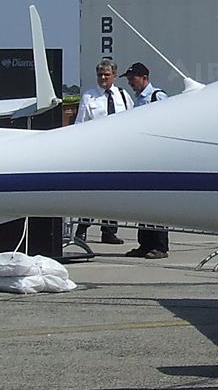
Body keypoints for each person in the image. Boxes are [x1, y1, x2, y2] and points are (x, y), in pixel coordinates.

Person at [71, 57, 130, 244]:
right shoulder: (89, 96)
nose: (103, 78)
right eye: (100, 75)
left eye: (106, 74)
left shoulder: (122, 95)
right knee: (91, 193)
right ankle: (82, 229)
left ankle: (109, 230)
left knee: (113, 194)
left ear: (114, 75)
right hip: (95, 151)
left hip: (117, 151)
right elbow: (80, 123)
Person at [123, 63, 170, 257]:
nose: (130, 83)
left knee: (156, 203)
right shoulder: (138, 99)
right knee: (143, 202)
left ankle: (160, 246)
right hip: (142, 157)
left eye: (132, 79)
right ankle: (145, 243)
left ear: (143, 77)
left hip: (157, 157)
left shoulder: (157, 97)